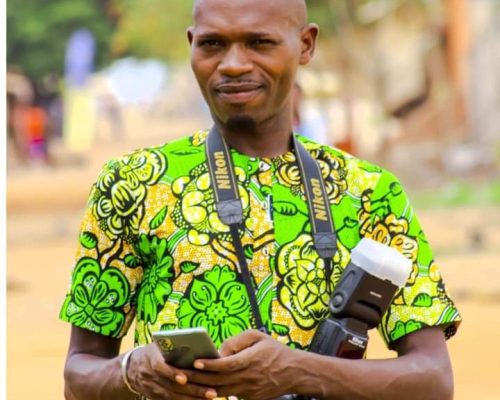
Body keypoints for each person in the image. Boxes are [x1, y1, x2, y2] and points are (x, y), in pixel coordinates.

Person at [60, 0, 461, 399]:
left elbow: (432, 380)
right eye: (212, 44)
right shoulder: (134, 183)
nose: (233, 64)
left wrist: (297, 372)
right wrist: (133, 370)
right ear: (191, 44)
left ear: (305, 45)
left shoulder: (369, 192)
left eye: (259, 43)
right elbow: (79, 376)